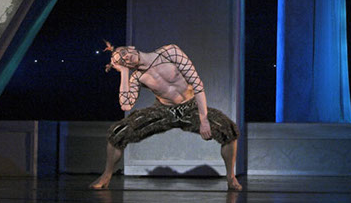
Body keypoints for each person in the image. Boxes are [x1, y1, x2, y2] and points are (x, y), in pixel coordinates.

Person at [89, 42, 242, 191]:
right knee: (118, 132)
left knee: (228, 129)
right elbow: (126, 105)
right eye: (122, 62)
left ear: (131, 48)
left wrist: (204, 120)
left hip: (191, 107)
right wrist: (124, 72)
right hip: (163, 110)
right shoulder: (136, 77)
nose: (126, 58)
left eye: (123, 53)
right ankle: (106, 176)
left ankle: (231, 177)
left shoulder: (170, 52)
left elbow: (197, 84)